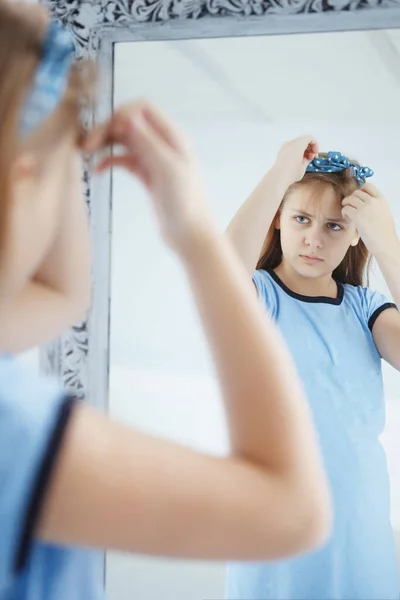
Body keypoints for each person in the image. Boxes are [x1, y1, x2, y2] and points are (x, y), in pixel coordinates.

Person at [0, 4, 332, 600]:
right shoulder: (12, 428)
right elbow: (293, 510)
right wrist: (195, 235)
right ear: (24, 174)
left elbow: (60, 295)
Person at [225, 138, 400, 599]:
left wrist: (388, 242)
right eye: (301, 218)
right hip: (274, 519)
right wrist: (281, 172)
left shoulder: (366, 309)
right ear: (279, 217)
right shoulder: (259, 295)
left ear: (355, 234)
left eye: (335, 226)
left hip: (358, 528)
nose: (314, 239)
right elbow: (221, 269)